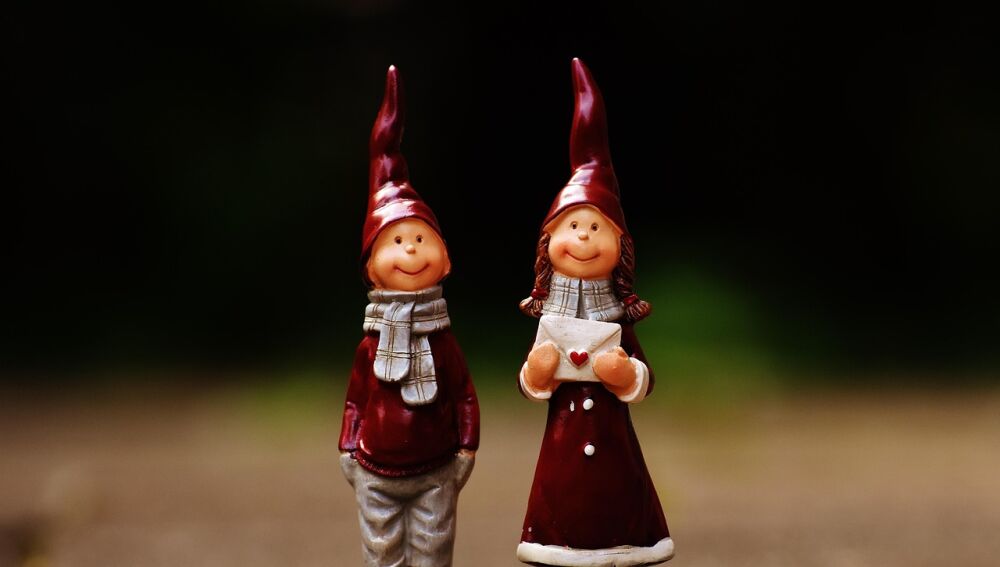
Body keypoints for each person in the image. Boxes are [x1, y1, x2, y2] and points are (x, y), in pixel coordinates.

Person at [516, 59, 673, 567]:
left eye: (596, 227)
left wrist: (627, 375)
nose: (583, 238)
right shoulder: (550, 312)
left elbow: (645, 375)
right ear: (548, 242)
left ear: (620, 247)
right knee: (561, 503)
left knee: (616, 498)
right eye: (572, 226)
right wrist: (536, 373)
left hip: (611, 438)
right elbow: (529, 381)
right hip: (562, 439)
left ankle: (622, 547)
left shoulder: (617, 318)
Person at [339, 65, 479, 567]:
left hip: (436, 466)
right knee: (382, 551)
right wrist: (348, 449)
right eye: (396, 240)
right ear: (370, 268)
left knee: (432, 547)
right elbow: (356, 398)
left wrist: (466, 448)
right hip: (375, 468)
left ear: (446, 260)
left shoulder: (442, 340)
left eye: (421, 238)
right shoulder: (371, 343)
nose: (411, 250)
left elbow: (463, 394)